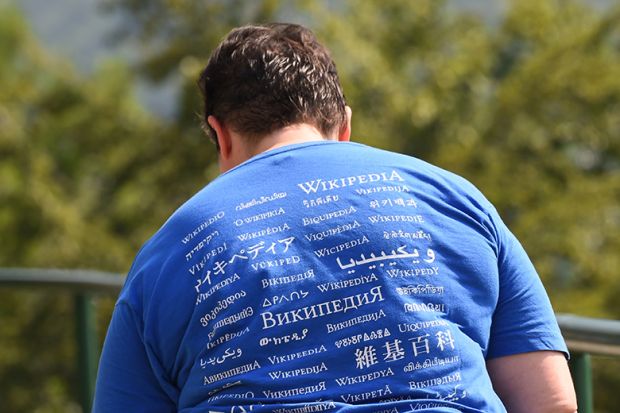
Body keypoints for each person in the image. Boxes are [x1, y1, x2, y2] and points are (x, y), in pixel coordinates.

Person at [93, 23, 577, 413]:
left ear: (220, 136)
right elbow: (549, 400)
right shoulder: (459, 201)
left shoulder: (169, 250)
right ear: (344, 124)